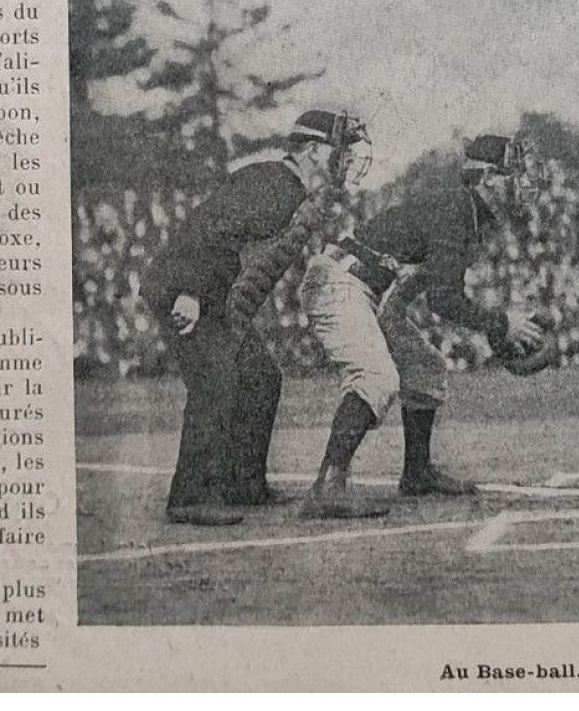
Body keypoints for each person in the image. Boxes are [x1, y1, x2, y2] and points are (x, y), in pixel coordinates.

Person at [298, 134, 554, 519]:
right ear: (486, 178)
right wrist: (500, 324)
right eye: (510, 174)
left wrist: (497, 325)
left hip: (368, 288)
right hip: (342, 280)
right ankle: (328, 484)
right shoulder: (457, 210)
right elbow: (443, 299)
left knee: (425, 369)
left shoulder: (468, 213)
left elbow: (427, 286)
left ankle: (416, 472)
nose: (520, 183)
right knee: (376, 376)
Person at [141, 110, 371, 526]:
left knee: (261, 376)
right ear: (315, 151)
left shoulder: (284, 187)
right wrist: (190, 293)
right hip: (184, 287)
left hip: (208, 290)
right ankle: (189, 496)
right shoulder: (275, 187)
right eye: (339, 151)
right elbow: (209, 230)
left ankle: (243, 484)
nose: (346, 160)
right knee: (215, 378)